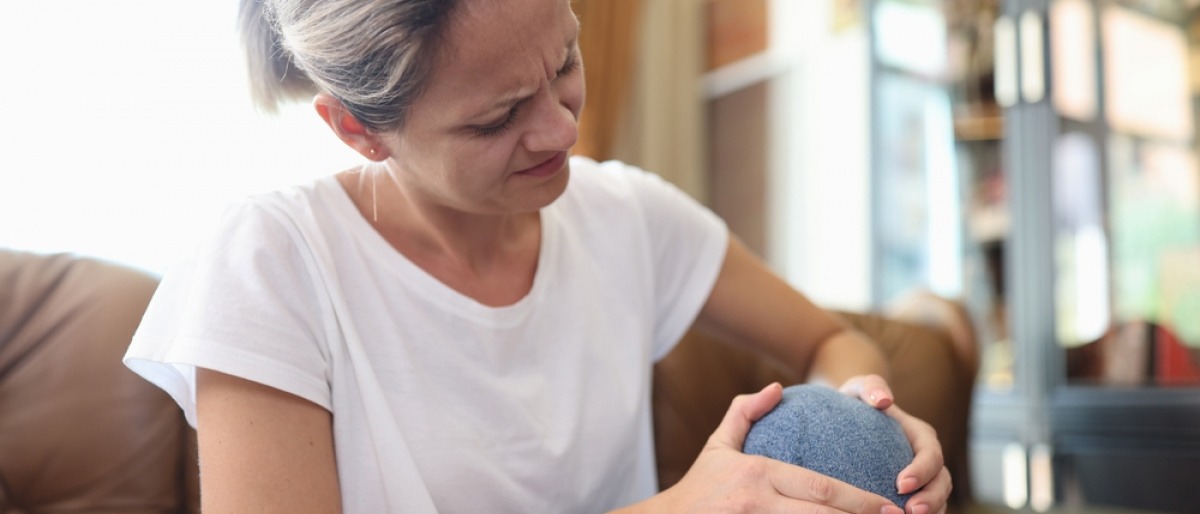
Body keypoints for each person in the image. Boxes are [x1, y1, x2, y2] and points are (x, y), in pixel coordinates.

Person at [123, 0, 952, 512]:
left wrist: (867, 426)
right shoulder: (271, 265)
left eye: (565, 62)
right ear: (357, 128)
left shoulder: (629, 217)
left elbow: (830, 344)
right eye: (497, 117)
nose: (562, 129)